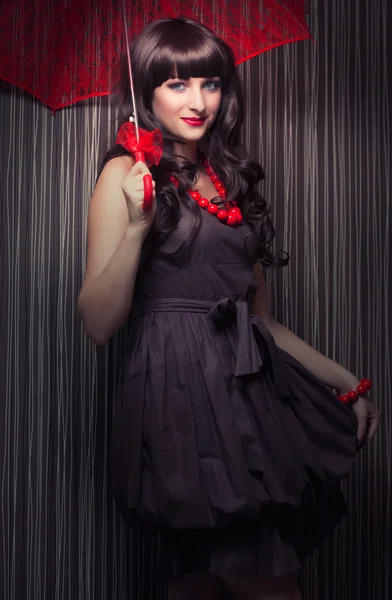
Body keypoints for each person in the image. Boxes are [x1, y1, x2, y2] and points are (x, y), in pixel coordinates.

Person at [77, 17, 380, 600]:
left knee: (202, 583)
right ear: (145, 90)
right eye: (177, 84)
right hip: (178, 399)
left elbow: (261, 319)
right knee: (248, 575)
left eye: (210, 83)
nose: (197, 101)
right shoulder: (124, 173)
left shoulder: (230, 181)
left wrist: (346, 383)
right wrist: (139, 228)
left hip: (248, 397)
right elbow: (97, 321)